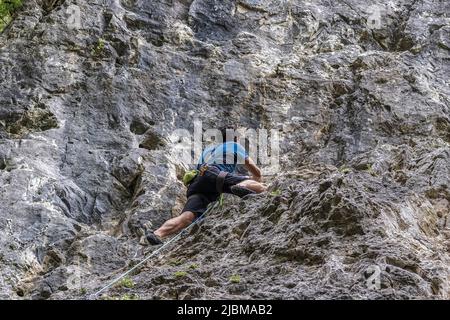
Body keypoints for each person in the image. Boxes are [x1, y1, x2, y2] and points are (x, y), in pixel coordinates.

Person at [145, 128, 267, 245]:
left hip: (198, 182)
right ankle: (240, 186)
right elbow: (257, 172)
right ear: (235, 137)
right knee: (260, 187)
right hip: (216, 175)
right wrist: (256, 182)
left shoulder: (208, 150)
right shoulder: (234, 145)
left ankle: (157, 234)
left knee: (187, 217)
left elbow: (201, 169)